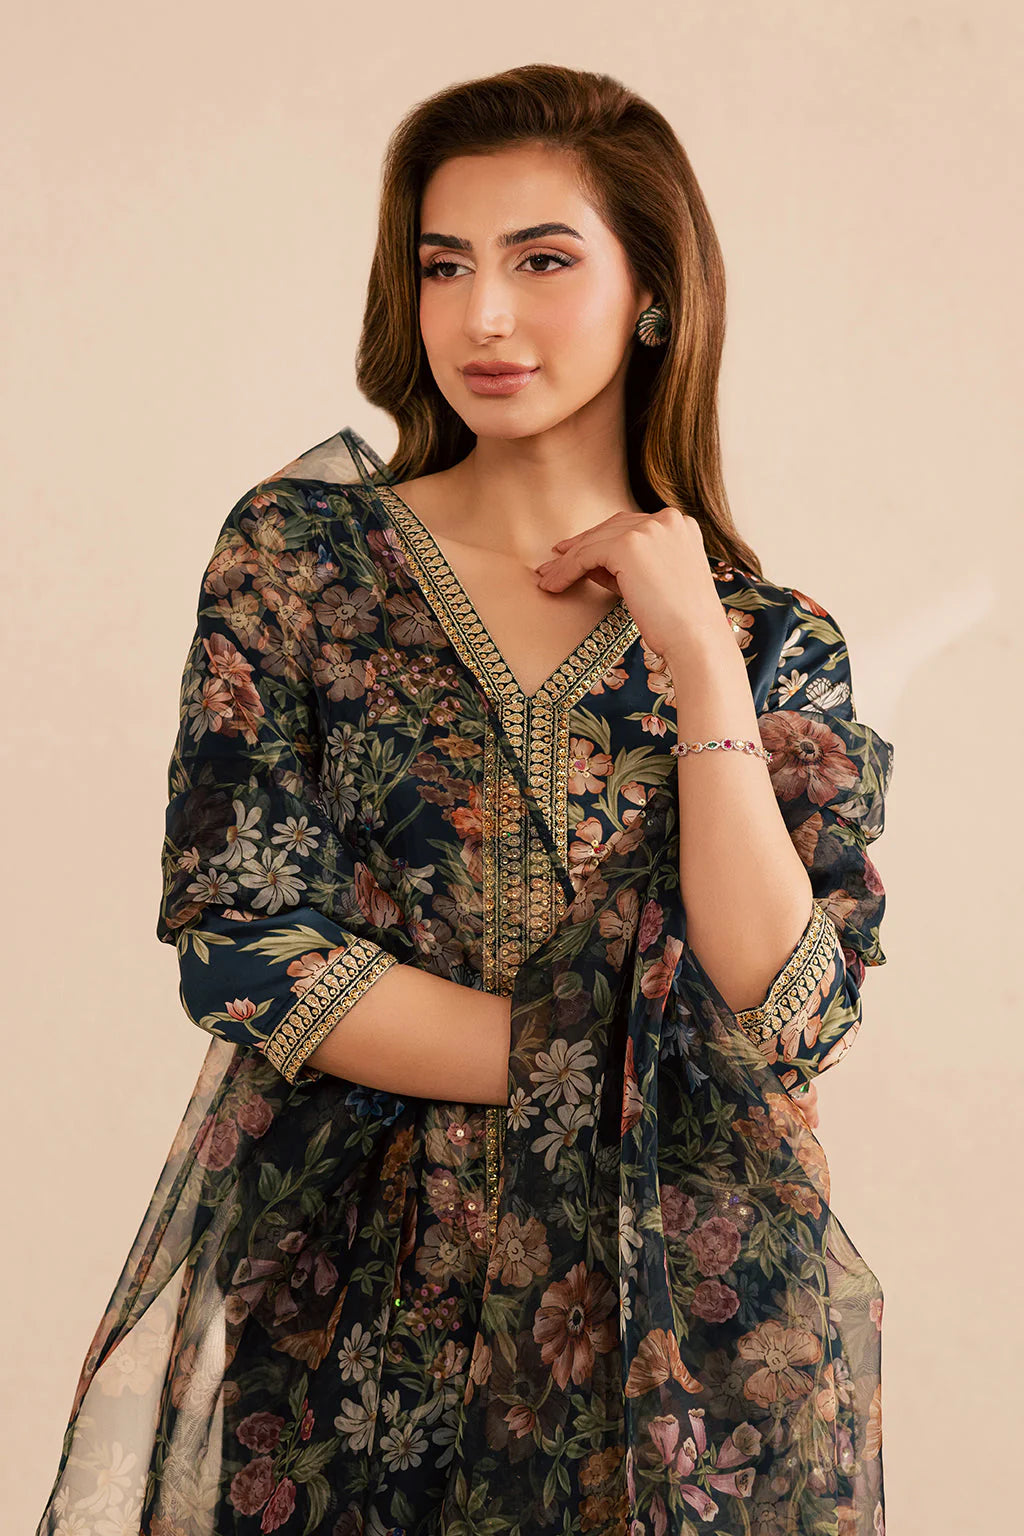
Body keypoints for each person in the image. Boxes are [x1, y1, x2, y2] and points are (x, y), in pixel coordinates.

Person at [35, 63, 893, 1536]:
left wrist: (698, 657)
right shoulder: (305, 559)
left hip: (694, 1350)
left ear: (653, 295)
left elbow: (789, 1017)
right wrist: (622, 1078)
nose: (483, 315)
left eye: (542, 261)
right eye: (445, 266)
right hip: (359, 1313)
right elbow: (249, 951)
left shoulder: (767, 642)